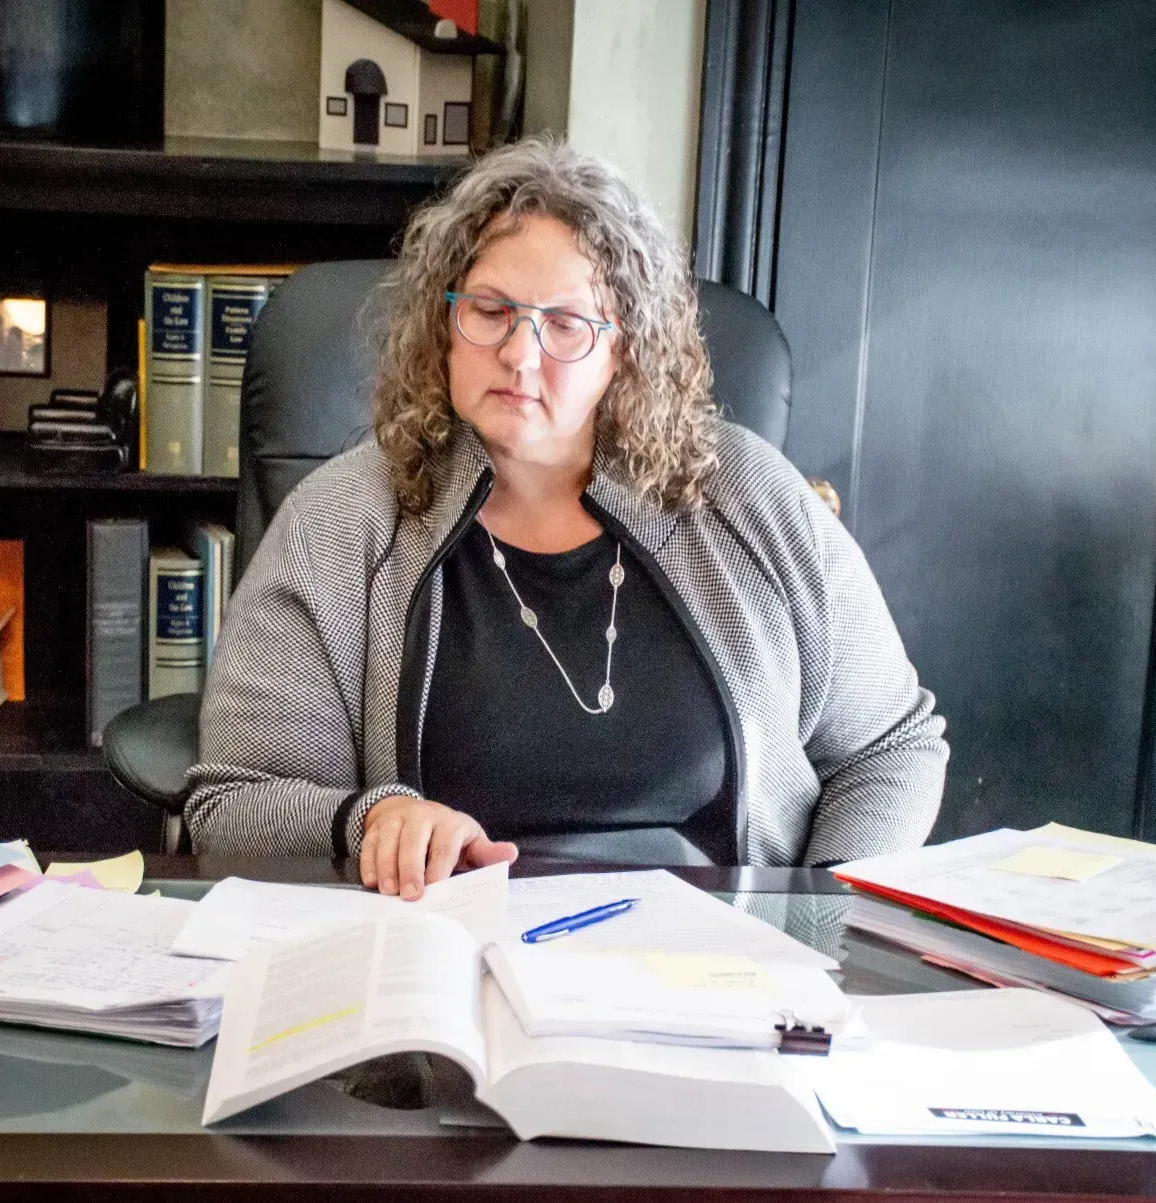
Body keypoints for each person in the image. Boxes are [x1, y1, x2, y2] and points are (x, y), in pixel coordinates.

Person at [187, 139, 948, 898]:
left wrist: (814, 922)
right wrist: (371, 818)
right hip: (453, 965)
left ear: (625, 351)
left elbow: (891, 747)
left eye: (566, 325)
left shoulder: (746, 495)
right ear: (442, 323)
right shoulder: (340, 523)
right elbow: (235, 804)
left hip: (717, 974)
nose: (520, 353)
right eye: (490, 311)